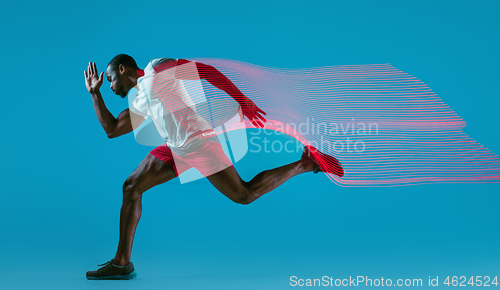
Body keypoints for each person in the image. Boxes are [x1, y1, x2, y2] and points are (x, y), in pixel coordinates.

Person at [84, 54, 344, 280]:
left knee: (244, 194)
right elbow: (112, 129)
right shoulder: (140, 100)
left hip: (198, 144)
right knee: (131, 186)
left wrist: (241, 101)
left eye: (108, 80)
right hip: (176, 148)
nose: (109, 86)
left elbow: (206, 71)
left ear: (122, 70)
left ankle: (305, 163)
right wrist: (95, 93)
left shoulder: (157, 69)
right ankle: (121, 263)